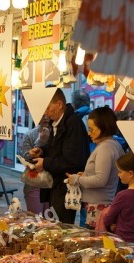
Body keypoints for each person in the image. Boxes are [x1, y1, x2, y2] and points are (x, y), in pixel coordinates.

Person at [30, 89, 90, 224]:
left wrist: (45, 163)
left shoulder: (73, 123)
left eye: (48, 108)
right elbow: (56, 149)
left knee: (61, 228)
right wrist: (41, 150)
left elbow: (72, 161)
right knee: (53, 226)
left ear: (59, 104)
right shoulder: (56, 123)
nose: (46, 112)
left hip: (65, 187)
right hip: (55, 185)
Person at [66, 107, 123, 230]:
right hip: (100, 204)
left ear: (103, 128)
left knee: (93, 244)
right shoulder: (112, 145)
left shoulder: (105, 148)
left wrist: (77, 179)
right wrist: (85, 175)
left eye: (92, 129)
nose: (88, 133)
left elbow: (100, 180)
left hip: (97, 207)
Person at [100, 152, 134, 244]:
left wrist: (113, 223)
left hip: (123, 241)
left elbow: (108, 219)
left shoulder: (123, 195)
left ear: (130, 173)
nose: (118, 175)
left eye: (120, 172)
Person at [20, 115, 51, 214]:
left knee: (51, 223)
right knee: (35, 220)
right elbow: (26, 157)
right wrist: (40, 141)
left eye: (48, 114)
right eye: (42, 114)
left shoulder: (57, 134)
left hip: (52, 185)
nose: (46, 117)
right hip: (34, 183)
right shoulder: (30, 135)